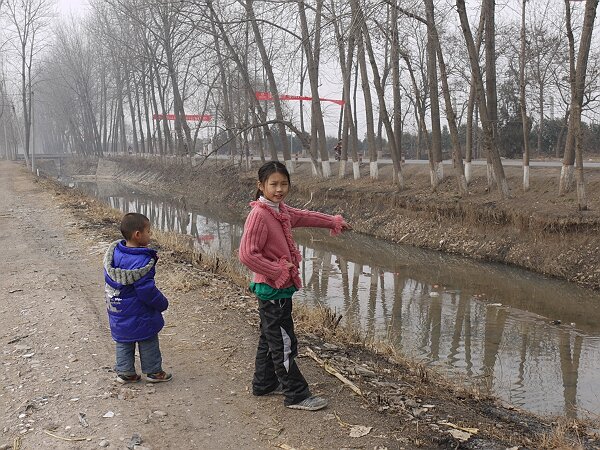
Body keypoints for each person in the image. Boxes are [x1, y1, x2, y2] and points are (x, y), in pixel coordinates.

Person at [239, 161, 351, 411]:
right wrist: (278, 270)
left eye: (284, 184)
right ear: (261, 186)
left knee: (270, 338)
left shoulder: (278, 210)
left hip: (276, 289)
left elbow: (303, 215)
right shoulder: (259, 214)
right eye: (273, 184)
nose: (279, 189)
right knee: (284, 341)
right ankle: (296, 394)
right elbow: (247, 254)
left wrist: (333, 221)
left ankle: (264, 383)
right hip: (273, 289)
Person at [103, 212, 172, 384]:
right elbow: (146, 291)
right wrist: (162, 303)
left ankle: (126, 372)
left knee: (123, 340)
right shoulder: (142, 261)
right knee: (148, 338)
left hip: (117, 310)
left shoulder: (115, 255)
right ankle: (153, 372)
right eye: (148, 231)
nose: (150, 235)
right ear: (138, 235)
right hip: (140, 313)